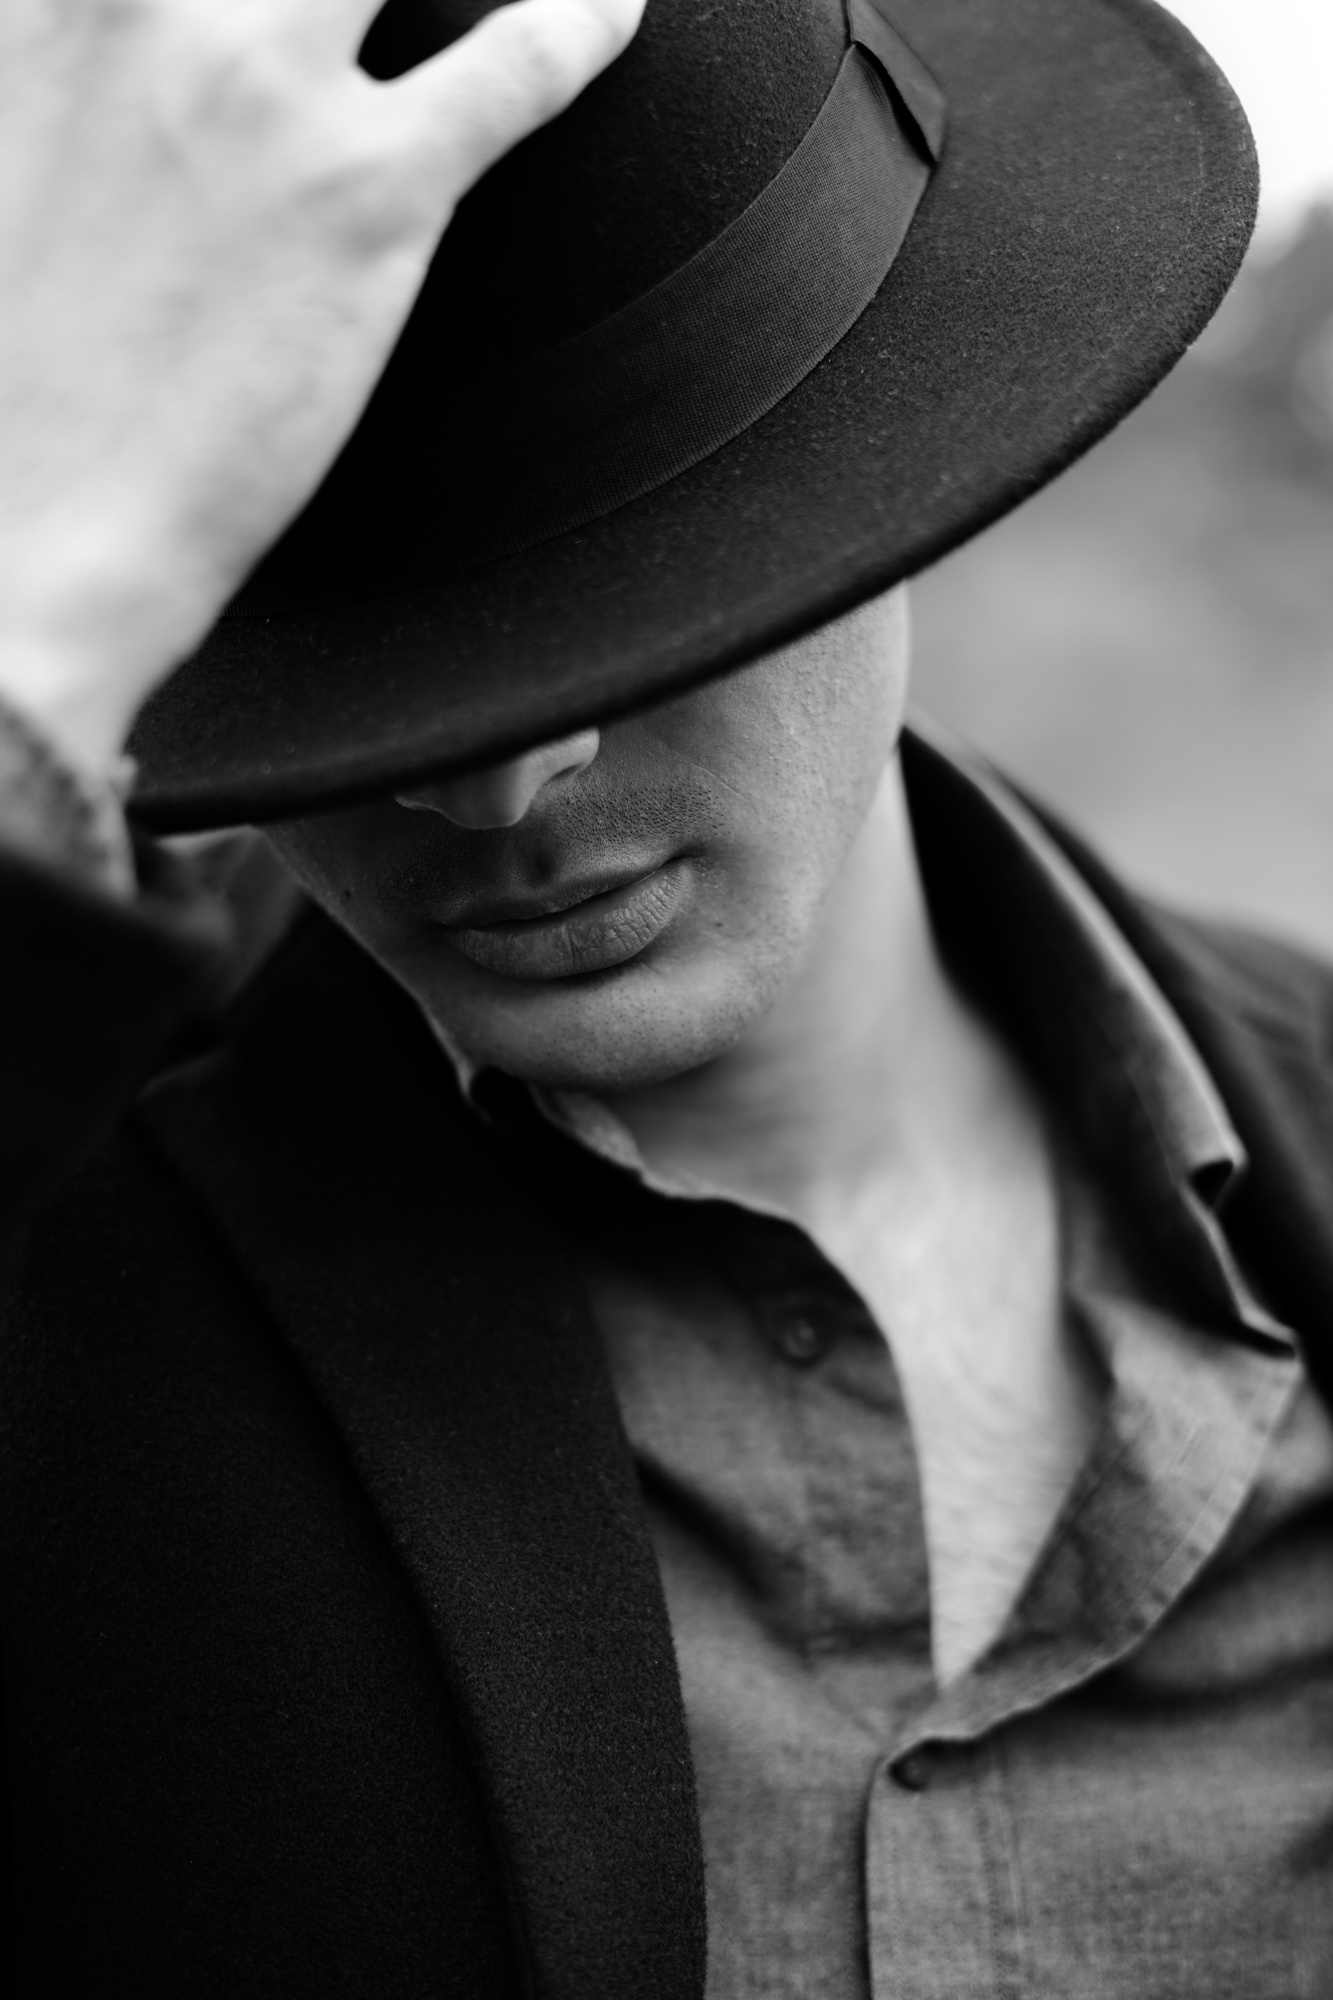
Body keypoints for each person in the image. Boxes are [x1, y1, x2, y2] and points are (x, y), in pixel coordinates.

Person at [1, 0, 1330, 1992]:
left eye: (628, 585)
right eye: (331, 659)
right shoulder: (57, 1216)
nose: (495, 788)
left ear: (881, 433)